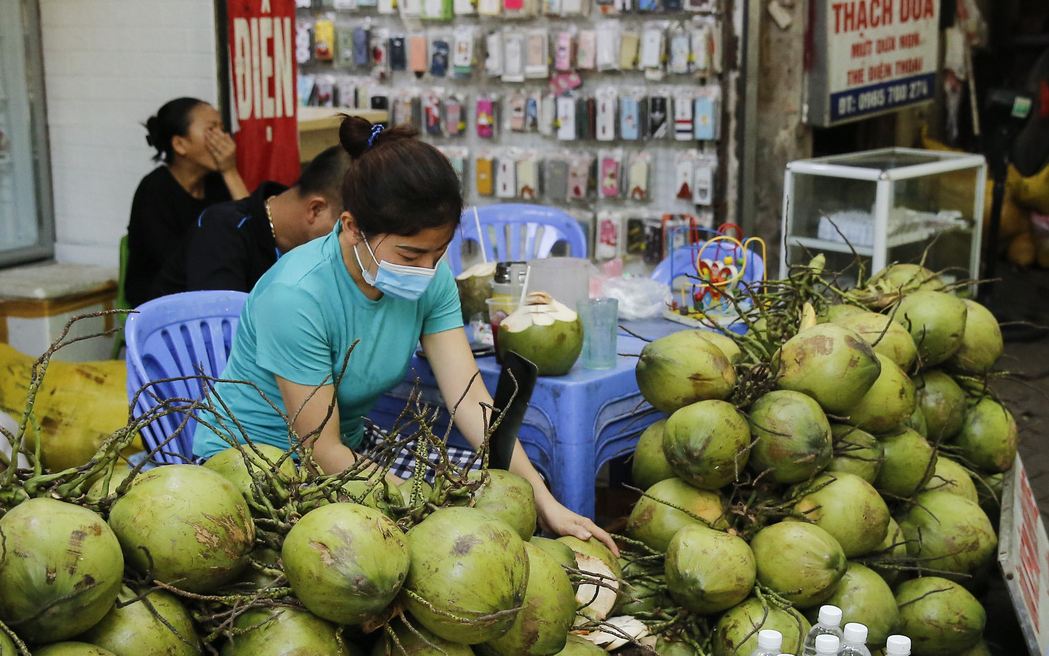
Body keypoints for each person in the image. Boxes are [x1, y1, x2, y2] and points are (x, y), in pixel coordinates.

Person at [193, 117, 617, 553]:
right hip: (257, 464)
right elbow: (321, 449)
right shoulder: (296, 296)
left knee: (504, 498)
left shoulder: (430, 279)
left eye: (438, 253)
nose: (426, 271)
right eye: (410, 254)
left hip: (349, 450)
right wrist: (425, 510)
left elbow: (470, 399)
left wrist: (543, 499)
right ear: (352, 226)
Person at [150, 146, 350, 298]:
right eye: (348, 227)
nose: (353, 239)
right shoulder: (222, 232)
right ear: (316, 210)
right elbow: (222, 337)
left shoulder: (309, 245)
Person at [126, 98, 250, 307]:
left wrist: (230, 171)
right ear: (180, 144)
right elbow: (173, 263)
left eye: (222, 128)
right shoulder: (154, 190)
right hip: (161, 297)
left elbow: (251, 228)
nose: (223, 137)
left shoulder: (216, 183)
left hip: (210, 285)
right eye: (211, 130)